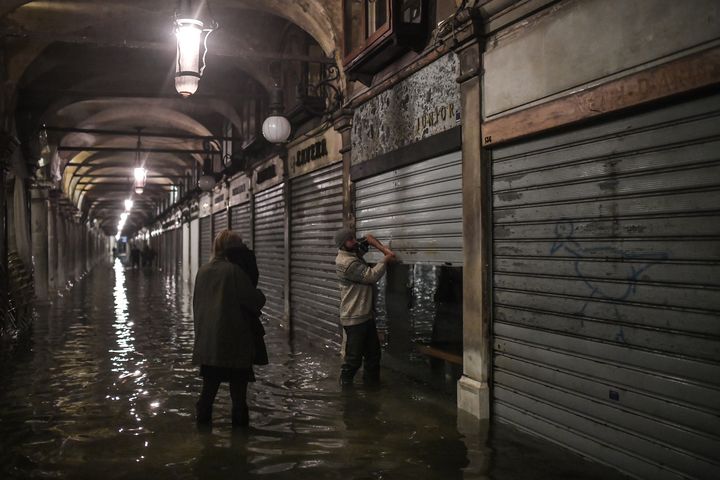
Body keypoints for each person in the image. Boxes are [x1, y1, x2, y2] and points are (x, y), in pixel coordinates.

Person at [192, 230, 266, 428]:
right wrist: (259, 292)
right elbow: (254, 301)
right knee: (239, 398)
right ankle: (240, 448)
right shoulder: (234, 272)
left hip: (209, 343)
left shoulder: (203, 270)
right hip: (234, 343)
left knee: (207, 393)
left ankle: (202, 439)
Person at [334, 227, 395, 386]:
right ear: (342, 244)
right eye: (350, 239)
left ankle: (372, 386)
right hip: (355, 318)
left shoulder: (352, 251)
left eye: (354, 238)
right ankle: (345, 389)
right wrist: (385, 259)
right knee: (354, 359)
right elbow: (371, 276)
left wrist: (383, 250)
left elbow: (368, 238)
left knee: (374, 355)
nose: (354, 241)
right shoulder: (347, 263)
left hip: (365, 316)